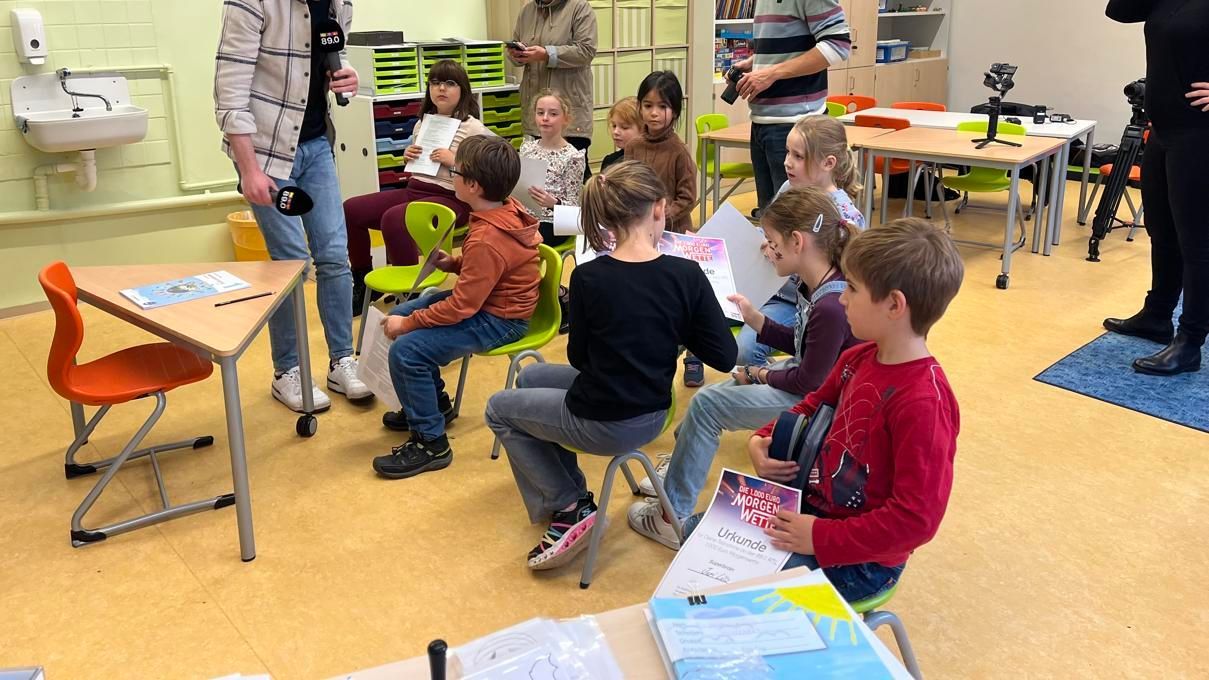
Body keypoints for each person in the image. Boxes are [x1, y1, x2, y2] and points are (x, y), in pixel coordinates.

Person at [485, 161, 737, 571]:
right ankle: (571, 492)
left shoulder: (588, 277)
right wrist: (681, 322)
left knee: (498, 408)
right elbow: (724, 356)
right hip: (653, 410)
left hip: (607, 421)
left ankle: (569, 504)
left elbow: (579, 358)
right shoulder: (687, 274)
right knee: (530, 376)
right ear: (659, 208)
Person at [728, 218, 961, 603]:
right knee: (701, 535)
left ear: (894, 304)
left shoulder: (925, 403)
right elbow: (810, 405)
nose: (841, 299)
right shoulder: (859, 357)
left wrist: (819, 537)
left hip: (862, 563)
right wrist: (762, 437)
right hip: (812, 512)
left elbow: (915, 521)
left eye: (852, 288)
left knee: (736, 586)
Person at [628, 187, 859, 549]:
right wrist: (755, 319)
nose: (767, 250)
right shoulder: (817, 285)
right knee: (711, 397)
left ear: (797, 242)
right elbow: (804, 346)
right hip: (808, 385)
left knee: (707, 405)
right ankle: (680, 471)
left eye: (772, 242)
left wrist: (757, 373)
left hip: (821, 405)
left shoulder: (830, 305)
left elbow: (808, 381)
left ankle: (671, 517)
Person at [214, 0, 370, 412]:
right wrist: (249, 169)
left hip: (316, 145)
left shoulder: (339, 3)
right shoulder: (252, 3)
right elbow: (229, 93)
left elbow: (330, 57)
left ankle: (342, 361)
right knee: (292, 264)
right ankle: (288, 370)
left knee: (335, 256)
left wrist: (346, 76)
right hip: (265, 153)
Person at [372, 136, 540, 479]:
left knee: (407, 350)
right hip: (490, 304)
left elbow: (462, 306)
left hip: (500, 319)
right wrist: (455, 263)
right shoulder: (501, 209)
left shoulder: (487, 238)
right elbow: (491, 268)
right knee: (404, 313)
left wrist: (410, 325)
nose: (452, 176)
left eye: (455, 172)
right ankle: (434, 406)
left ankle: (431, 442)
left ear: (473, 185)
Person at [1103, 0, 1209, 376]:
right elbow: (1118, 10)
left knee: (1197, 242)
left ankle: (1190, 341)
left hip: (1199, 132)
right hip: (1162, 129)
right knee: (1162, 230)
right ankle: (1157, 315)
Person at [344, 60, 488, 315]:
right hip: (416, 189)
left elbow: (489, 171)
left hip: (452, 198)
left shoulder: (473, 127)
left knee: (395, 218)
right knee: (351, 209)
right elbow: (416, 166)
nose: (441, 88)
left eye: (450, 83)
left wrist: (455, 161)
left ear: (463, 90)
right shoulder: (422, 123)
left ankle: (410, 292)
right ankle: (362, 280)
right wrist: (408, 155)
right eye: (435, 83)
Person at [740, 115, 865, 366]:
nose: (787, 162)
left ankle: (773, 379)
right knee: (700, 304)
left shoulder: (845, 217)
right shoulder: (788, 187)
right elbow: (768, 231)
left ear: (828, 163)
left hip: (796, 303)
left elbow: (837, 281)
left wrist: (779, 252)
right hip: (765, 284)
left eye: (798, 156)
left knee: (745, 351)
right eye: (788, 152)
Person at [733, 0, 851, 214]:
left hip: (795, 125)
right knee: (770, 218)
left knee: (794, 218)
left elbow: (838, 44)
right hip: (762, 120)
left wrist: (771, 73)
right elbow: (792, 45)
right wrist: (756, 63)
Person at [508, 0, 597, 160]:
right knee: (540, 169)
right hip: (538, 108)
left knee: (573, 167)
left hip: (568, 109)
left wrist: (547, 54)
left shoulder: (579, 7)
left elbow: (586, 51)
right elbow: (517, 49)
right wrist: (518, 55)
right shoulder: (527, 10)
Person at [624, 71, 697, 235]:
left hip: (673, 230)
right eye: (648, 106)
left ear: (675, 111)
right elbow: (628, 185)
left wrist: (661, 215)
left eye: (662, 106)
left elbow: (687, 198)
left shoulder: (679, 151)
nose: (654, 113)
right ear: (639, 107)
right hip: (639, 227)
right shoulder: (633, 146)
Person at [518, 89, 587, 249]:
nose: (545, 118)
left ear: (566, 119)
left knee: (521, 240)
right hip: (525, 214)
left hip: (553, 221)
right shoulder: (527, 148)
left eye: (553, 114)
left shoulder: (572, 157)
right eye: (540, 113)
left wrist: (553, 203)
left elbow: (573, 207)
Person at [601, 96, 643, 173]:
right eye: (614, 126)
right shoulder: (610, 161)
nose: (615, 132)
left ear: (643, 129)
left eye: (624, 127)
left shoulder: (650, 161)